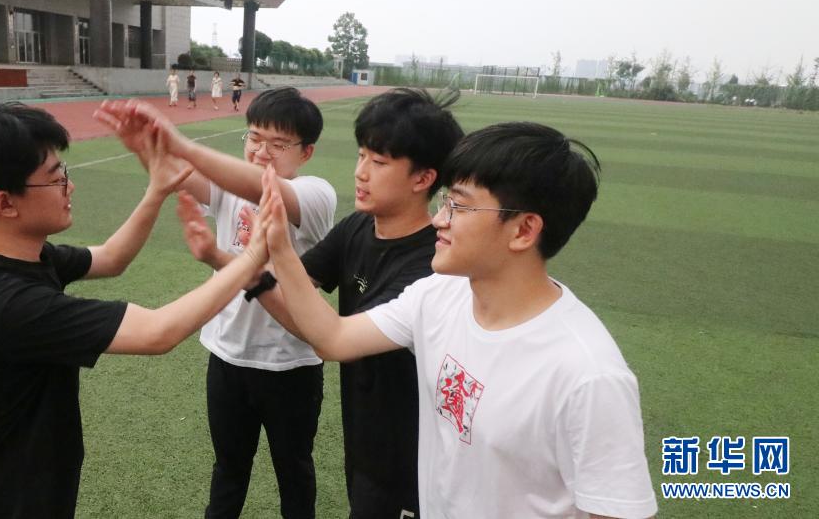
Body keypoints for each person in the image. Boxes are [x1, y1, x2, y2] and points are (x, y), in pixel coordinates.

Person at [260, 122, 659, 518]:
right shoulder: (439, 294)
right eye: (445, 202)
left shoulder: (588, 375)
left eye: (460, 206)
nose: (439, 220)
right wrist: (279, 248)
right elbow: (334, 338)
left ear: (524, 230)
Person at [0, 97, 274, 519]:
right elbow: (157, 332)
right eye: (55, 178)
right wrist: (251, 257)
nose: (70, 186)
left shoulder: (20, 257)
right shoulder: (5, 303)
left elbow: (111, 258)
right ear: (6, 203)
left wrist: (158, 188)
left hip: (33, 490)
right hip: (4, 503)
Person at [178, 88, 463, 518]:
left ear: (423, 179)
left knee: (296, 472)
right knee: (234, 467)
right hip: (365, 442)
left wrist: (271, 248)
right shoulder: (358, 228)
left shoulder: (430, 268)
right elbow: (296, 301)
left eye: (378, 162)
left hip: (413, 458)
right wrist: (228, 260)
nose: (361, 172)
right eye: (361, 156)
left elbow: (333, 338)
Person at [96, 87, 336, 519]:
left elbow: (265, 188)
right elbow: (172, 176)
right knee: (228, 469)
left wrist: (181, 144)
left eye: (278, 144)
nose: (261, 151)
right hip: (227, 357)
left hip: (290, 365)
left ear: (306, 152)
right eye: (254, 137)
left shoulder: (316, 195)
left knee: (294, 471)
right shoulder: (229, 187)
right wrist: (146, 147)